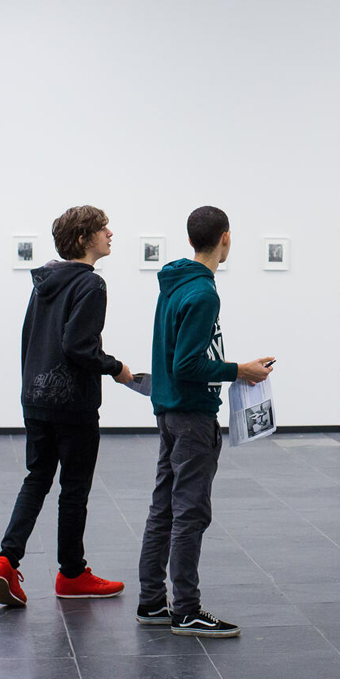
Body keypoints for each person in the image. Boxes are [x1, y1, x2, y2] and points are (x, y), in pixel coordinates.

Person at [135, 205, 274, 638]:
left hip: (169, 410)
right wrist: (241, 371)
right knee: (189, 512)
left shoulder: (175, 284)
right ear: (226, 238)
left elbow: (175, 357)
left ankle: (152, 602)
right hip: (192, 415)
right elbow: (187, 363)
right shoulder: (203, 293)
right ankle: (187, 610)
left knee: (164, 508)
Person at [0, 205, 134, 607]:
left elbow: (30, 341)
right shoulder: (91, 285)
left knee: (36, 478)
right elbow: (78, 346)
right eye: (103, 228)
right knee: (74, 489)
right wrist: (117, 368)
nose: (110, 233)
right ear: (85, 238)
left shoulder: (45, 282)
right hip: (73, 404)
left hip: (35, 398)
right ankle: (71, 574)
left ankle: (6, 559)